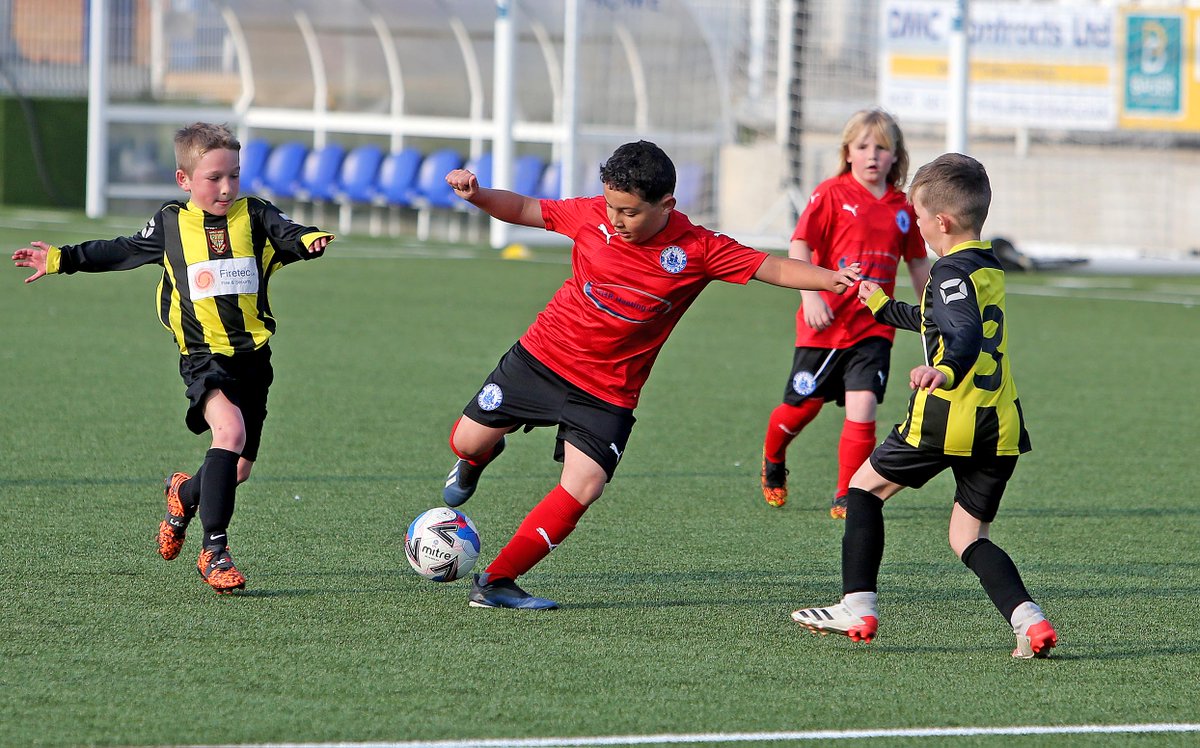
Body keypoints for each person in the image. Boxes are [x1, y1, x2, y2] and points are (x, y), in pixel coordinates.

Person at [441, 140, 860, 610]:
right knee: (467, 440)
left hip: (608, 390)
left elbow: (773, 266)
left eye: (629, 212)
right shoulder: (591, 214)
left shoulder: (697, 248)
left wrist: (830, 278)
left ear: (667, 205)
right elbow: (525, 206)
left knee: (585, 484)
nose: (616, 220)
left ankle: (497, 581)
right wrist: (477, 195)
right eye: (611, 207)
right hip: (541, 358)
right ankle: (476, 458)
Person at [11, 122, 334, 594]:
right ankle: (214, 551)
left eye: (234, 176)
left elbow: (290, 231)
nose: (226, 188)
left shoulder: (256, 215)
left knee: (238, 466)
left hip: (253, 359)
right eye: (214, 178)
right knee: (229, 431)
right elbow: (118, 249)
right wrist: (61, 258)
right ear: (184, 180)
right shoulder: (170, 224)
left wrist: (309, 239)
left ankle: (183, 494)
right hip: (203, 357)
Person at [790, 153, 1057, 659]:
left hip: (947, 414)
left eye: (918, 216)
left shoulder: (950, 271)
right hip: (998, 427)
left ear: (943, 222)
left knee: (863, 490)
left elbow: (961, 333)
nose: (916, 226)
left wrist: (945, 370)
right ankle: (1030, 622)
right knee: (968, 536)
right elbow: (944, 317)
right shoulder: (982, 265)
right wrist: (878, 304)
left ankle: (858, 603)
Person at [760, 109, 930, 518]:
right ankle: (773, 459)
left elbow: (918, 264)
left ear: (896, 156)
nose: (872, 155)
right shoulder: (830, 194)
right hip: (824, 325)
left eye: (882, 147)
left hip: (873, 327)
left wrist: (932, 311)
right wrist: (810, 296)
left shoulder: (901, 206)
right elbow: (800, 246)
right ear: (848, 152)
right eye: (863, 146)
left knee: (864, 406)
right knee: (802, 408)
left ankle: (847, 493)